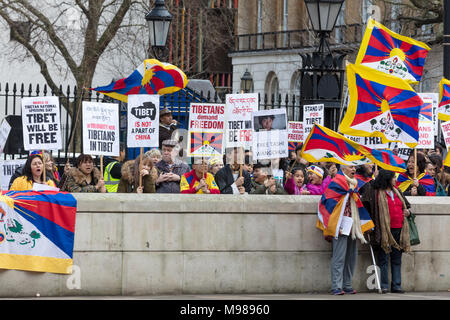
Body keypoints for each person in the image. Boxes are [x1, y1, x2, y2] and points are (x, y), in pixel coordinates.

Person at [317, 164, 374, 295]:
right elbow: (329, 203)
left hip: (353, 225)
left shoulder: (354, 184)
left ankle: (347, 284)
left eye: (355, 167)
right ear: (343, 170)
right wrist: (337, 223)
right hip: (340, 225)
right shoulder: (336, 183)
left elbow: (358, 204)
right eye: (350, 167)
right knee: (339, 257)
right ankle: (336, 286)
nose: (354, 169)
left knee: (351, 256)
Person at [368, 169, 411, 294]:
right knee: (383, 259)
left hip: (399, 229)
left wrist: (407, 212)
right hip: (384, 231)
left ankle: (396, 285)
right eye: (393, 178)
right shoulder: (376, 192)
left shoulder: (397, 191)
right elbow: (367, 205)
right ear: (387, 179)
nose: (395, 180)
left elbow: (406, 207)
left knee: (397, 259)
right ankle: (384, 285)